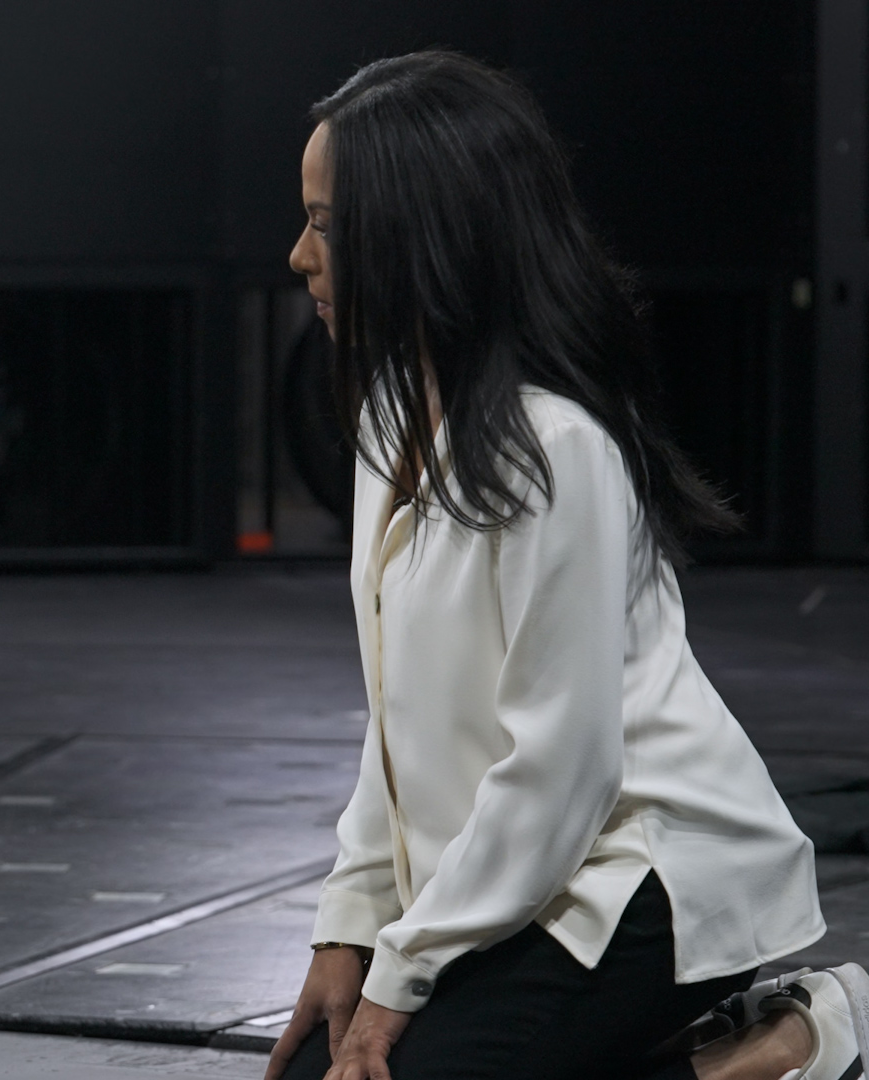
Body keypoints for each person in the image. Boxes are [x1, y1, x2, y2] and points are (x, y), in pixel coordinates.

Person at [266, 52, 857, 1080]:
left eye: (326, 224)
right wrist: (349, 928)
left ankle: (798, 1044)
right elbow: (397, 721)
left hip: (647, 871)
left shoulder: (555, 451)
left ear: (422, 235)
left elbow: (560, 773)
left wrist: (404, 974)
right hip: (533, 874)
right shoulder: (390, 416)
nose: (297, 256)